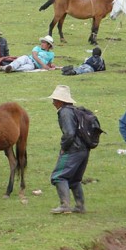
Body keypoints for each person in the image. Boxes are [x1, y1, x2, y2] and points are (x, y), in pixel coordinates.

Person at [48, 84, 90, 214]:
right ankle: (79, 206)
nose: (53, 102)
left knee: (59, 176)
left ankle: (65, 205)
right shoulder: (75, 110)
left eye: (54, 100)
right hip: (84, 149)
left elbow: (69, 133)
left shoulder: (65, 112)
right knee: (74, 178)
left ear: (60, 101)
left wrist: (63, 147)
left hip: (73, 149)